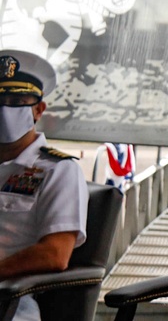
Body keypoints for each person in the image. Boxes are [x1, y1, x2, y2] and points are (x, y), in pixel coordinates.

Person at [0, 50, 88, 321]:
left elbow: (55, 254)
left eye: (16, 101)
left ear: (39, 109)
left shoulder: (59, 170)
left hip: (9, 303)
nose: (5, 111)